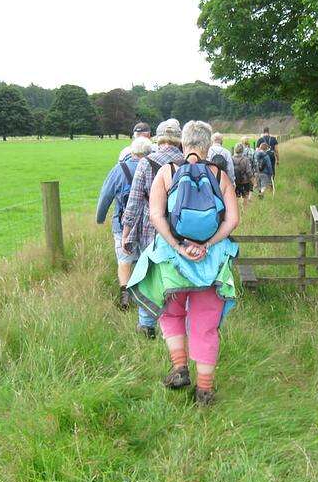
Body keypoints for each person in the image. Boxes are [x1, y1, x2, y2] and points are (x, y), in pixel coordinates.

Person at [127, 120, 239, 406]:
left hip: (172, 261)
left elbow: (156, 216)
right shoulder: (221, 175)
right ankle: (204, 391)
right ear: (207, 144)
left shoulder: (167, 172)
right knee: (205, 326)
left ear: (184, 143)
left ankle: (179, 369)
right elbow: (232, 220)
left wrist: (178, 245)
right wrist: (207, 245)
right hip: (211, 264)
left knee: (171, 313)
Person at [121, 119, 185, 338]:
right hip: (182, 233)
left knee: (148, 278)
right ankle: (178, 327)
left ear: (158, 138)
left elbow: (134, 202)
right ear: (179, 139)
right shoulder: (189, 163)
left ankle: (147, 325)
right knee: (178, 277)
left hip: (151, 232)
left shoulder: (146, 163)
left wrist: (127, 231)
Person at [96, 137, 153, 310]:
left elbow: (106, 196)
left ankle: (125, 298)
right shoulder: (154, 168)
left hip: (122, 224)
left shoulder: (119, 170)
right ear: (149, 152)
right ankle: (147, 296)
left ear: (132, 151)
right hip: (148, 224)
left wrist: (100, 218)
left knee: (124, 260)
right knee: (147, 259)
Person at [232, 143, 252, 211]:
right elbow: (248, 172)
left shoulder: (231, 158)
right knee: (245, 197)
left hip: (235, 181)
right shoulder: (245, 159)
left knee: (236, 197)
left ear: (235, 150)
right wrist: (253, 181)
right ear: (242, 150)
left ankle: (237, 211)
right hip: (245, 181)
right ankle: (244, 210)